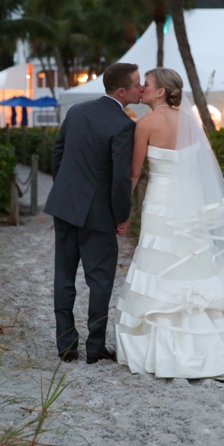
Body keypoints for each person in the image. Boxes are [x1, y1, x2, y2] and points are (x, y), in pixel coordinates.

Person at [114, 68, 224, 379]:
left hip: (160, 202)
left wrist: (122, 212)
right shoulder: (189, 122)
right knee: (195, 260)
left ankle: (163, 348)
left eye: (148, 84)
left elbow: (134, 174)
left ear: (159, 92)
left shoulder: (145, 124)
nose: (142, 87)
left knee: (159, 260)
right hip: (190, 203)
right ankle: (217, 344)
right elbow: (199, 168)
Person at [44, 62, 143, 364]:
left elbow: (57, 154)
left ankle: (66, 344)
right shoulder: (123, 125)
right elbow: (120, 179)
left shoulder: (77, 111)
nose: (142, 88)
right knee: (100, 281)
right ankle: (95, 346)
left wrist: (65, 191)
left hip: (64, 205)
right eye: (138, 84)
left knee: (64, 275)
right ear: (122, 91)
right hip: (97, 213)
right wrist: (121, 215)